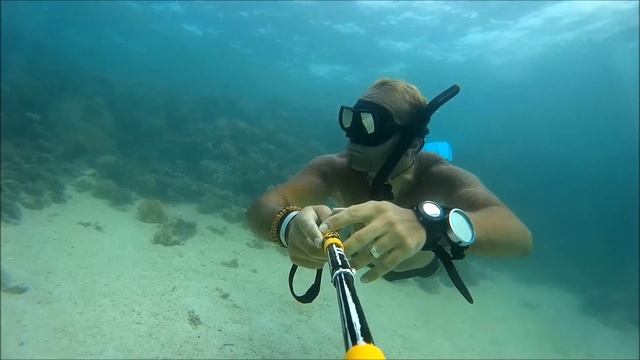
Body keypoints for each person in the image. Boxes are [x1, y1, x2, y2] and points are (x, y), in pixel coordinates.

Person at [245, 78, 532, 292]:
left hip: (424, 266)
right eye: (351, 121)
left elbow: (519, 238)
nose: (353, 136)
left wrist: (429, 223)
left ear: (412, 143)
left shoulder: (440, 174)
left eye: (370, 125)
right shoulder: (335, 166)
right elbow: (263, 207)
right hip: (369, 262)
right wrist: (289, 224)